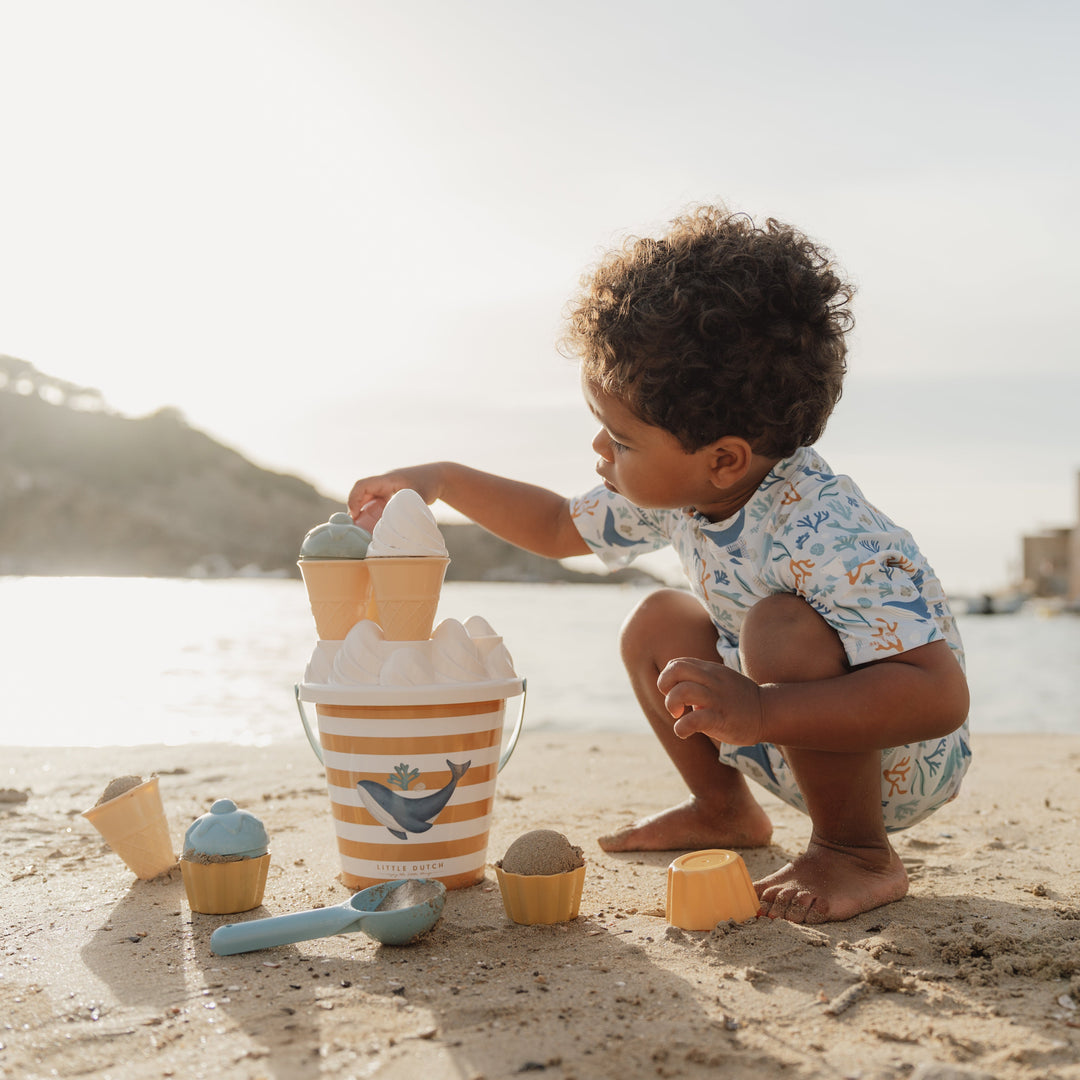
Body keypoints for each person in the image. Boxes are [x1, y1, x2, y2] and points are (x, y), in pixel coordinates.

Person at [348, 206, 971, 925]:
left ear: (725, 457)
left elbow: (938, 696)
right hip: (781, 730)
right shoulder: (682, 492)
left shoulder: (825, 529)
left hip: (894, 755)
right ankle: (723, 810)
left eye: (620, 437)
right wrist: (445, 480)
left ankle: (856, 852)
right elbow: (556, 526)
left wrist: (762, 709)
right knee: (657, 620)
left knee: (778, 627)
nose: (599, 451)